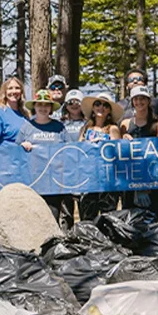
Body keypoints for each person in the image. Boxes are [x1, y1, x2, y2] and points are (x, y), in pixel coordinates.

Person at [17, 90, 67, 223]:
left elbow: (69, 151)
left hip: (54, 183)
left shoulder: (59, 127)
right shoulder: (27, 127)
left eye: (47, 105)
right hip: (32, 181)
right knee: (33, 219)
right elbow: (15, 152)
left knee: (52, 217)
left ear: (51, 108)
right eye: (40, 104)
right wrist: (22, 145)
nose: (43, 108)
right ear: (34, 107)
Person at [120, 84, 158, 214]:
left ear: (148, 101)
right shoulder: (125, 124)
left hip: (155, 182)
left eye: (142, 98)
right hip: (131, 183)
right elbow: (119, 155)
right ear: (132, 102)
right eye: (136, 99)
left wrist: (146, 187)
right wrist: (123, 139)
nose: (139, 102)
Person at [78, 93, 122, 221]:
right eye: (97, 104)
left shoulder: (113, 129)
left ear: (109, 110)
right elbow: (78, 150)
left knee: (107, 217)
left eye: (105, 105)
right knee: (87, 217)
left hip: (107, 180)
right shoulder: (85, 128)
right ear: (92, 108)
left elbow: (117, 153)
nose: (101, 107)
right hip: (88, 179)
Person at [0, 76, 29, 166]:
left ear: (21, 91)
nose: (14, 91)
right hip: (4, 163)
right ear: (5, 91)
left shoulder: (25, 114)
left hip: (23, 163)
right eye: (10, 88)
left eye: (17, 88)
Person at [58, 89, 87, 227]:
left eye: (77, 102)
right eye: (70, 102)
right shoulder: (60, 123)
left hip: (83, 169)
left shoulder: (88, 123)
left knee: (85, 206)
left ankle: (85, 235)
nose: (74, 105)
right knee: (66, 208)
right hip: (65, 170)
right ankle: (67, 236)